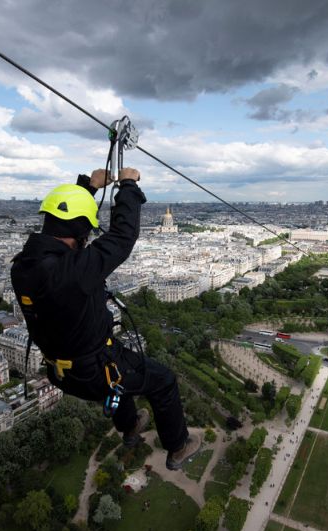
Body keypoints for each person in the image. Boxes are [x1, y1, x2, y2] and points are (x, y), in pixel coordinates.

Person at [11, 168, 201, 470]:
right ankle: (178, 446)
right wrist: (128, 185)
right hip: (94, 370)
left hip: (62, 373)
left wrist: (87, 187)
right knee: (161, 380)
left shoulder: (22, 267)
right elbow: (123, 235)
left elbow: (67, 220)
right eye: (85, 233)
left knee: (119, 375)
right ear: (80, 233)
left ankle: (130, 427)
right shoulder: (72, 272)